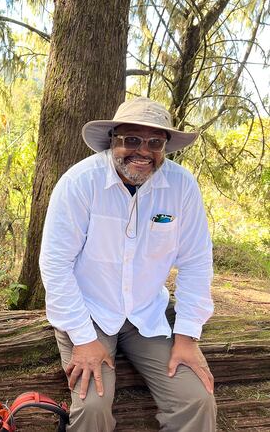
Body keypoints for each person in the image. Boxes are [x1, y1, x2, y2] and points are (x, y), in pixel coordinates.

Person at [40, 97, 216, 431]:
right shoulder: (80, 183)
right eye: (131, 140)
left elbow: (196, 262)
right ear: (112, 141)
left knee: (197, 398)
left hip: (146, 313)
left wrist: (188, 336)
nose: (143, 151)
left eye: (155, 142)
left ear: (165, 147)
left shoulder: (182, 187)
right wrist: (82, 338)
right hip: (88, 313)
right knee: (92, 406)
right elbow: (55, 264)